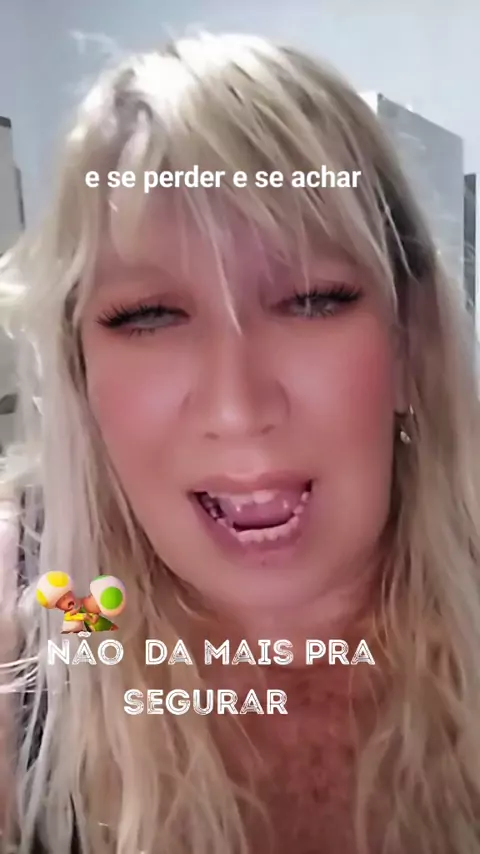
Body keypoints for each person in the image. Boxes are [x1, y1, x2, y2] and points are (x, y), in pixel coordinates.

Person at [0, 30, 480, 854]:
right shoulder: (36, 616)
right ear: (81, 373)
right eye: (149, 315)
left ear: (411, 344)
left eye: (313, 299)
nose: (236, 407)